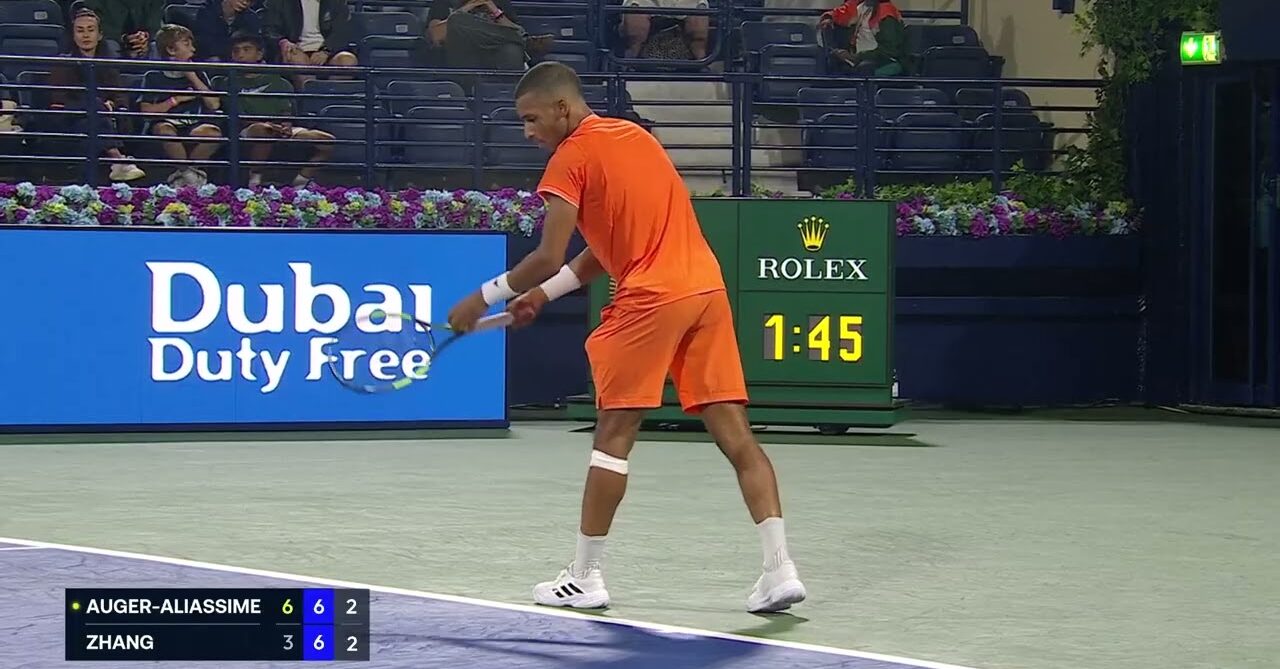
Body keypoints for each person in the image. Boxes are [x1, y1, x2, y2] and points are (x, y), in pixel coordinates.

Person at [446, 61, 806, 613]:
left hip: (651, 298)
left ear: (562, 108)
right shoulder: (635, 137)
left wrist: (482, 296)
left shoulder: (570, 158)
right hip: (705, 291)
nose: (527, 131)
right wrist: (544, 296)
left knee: (613, 435)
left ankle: (585, 577)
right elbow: (605, 247)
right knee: (736, 434)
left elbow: (548, 254)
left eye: (532, 119)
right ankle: (780, 569)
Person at [819, 0, 908, 76]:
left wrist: (856, 57)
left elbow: (889, 51)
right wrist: (829, 17)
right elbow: (842, 12)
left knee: (865, 67)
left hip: (884, 61)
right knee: (830, 58)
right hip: (857, 58)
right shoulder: (861, 5)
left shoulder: (887, 14)